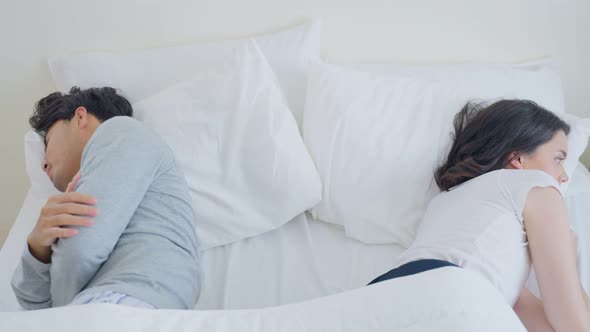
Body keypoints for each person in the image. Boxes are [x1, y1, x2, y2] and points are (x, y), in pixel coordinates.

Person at [367, 100, 590, 331]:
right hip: (448, 298)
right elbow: (571, 323)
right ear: (518, 159)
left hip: (379, 297)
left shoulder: (445, 201)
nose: (564, 176)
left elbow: (533, 318)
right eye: (558, 158)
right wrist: (567, 259)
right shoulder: (538, 185)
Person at [11, 86, 201, 310]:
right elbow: (31, 304)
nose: (43, 164)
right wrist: (36, 248)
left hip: (126, 300)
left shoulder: (122, 130)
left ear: (80, 117)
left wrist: (59, 311)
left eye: (48, 141)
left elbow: (80, 249)